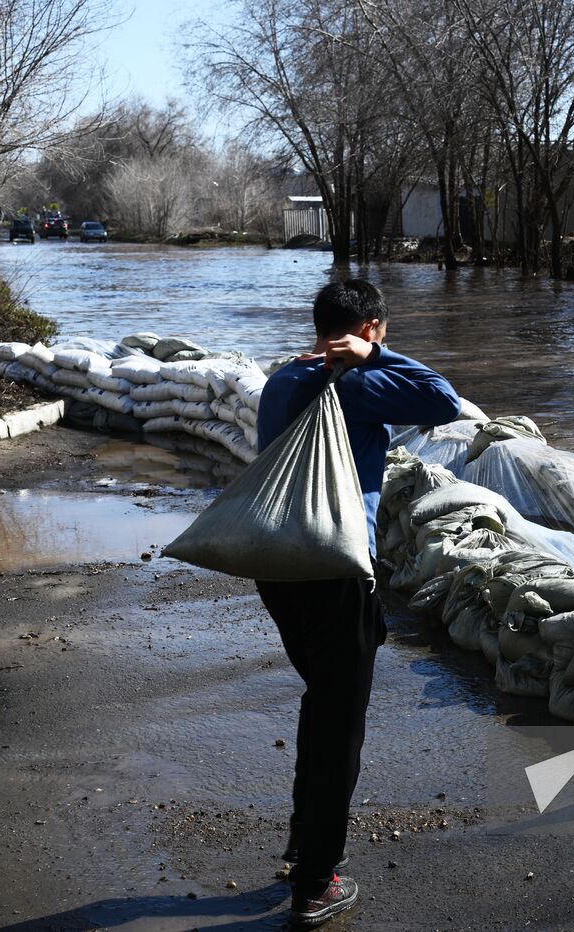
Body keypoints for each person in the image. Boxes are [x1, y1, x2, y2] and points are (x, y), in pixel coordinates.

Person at [255, 279, 461, 927]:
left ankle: (301, 842)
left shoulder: (283, 380)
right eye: (382, 333)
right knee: (339, 722)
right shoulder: (364, 385)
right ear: (371, 328)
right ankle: (317, 882)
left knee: (322, 701)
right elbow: (444, 402)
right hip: (337, 572)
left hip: (278, 568)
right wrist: (373, 360)